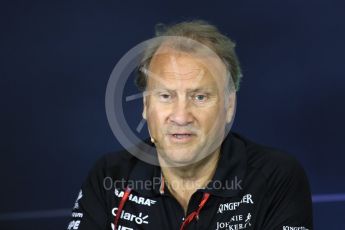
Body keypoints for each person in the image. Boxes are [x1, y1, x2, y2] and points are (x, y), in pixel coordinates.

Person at [67, 20, 313, 230]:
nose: (181, 116)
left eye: (199, 97)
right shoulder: (108, 176)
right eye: (166, 96)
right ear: (145, 106)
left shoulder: (276, 177)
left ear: (228, 106)